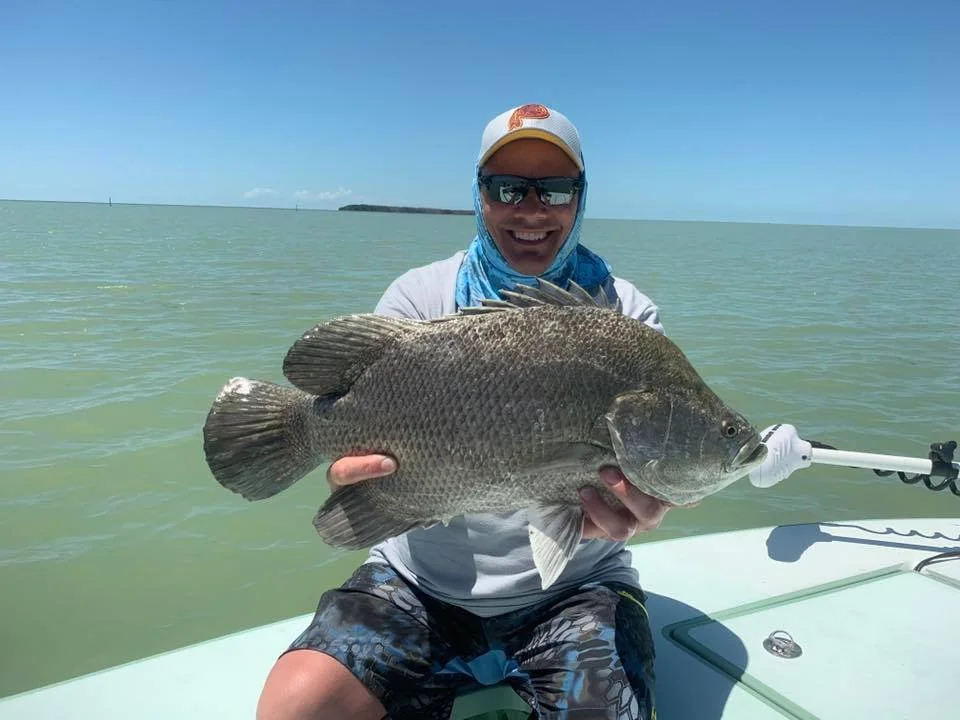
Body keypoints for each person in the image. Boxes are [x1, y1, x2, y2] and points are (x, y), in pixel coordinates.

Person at [257, 104, 813, 720]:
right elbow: (361, 425)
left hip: (578, 589)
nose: (531, 208)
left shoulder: (628, 314)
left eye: (554, 188)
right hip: (419, 586)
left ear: (580, 197)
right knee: (297, 708)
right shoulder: (419, 297)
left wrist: (643, 510)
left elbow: (655, 480)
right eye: (507, 188)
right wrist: (346, 467)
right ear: (481, 196)